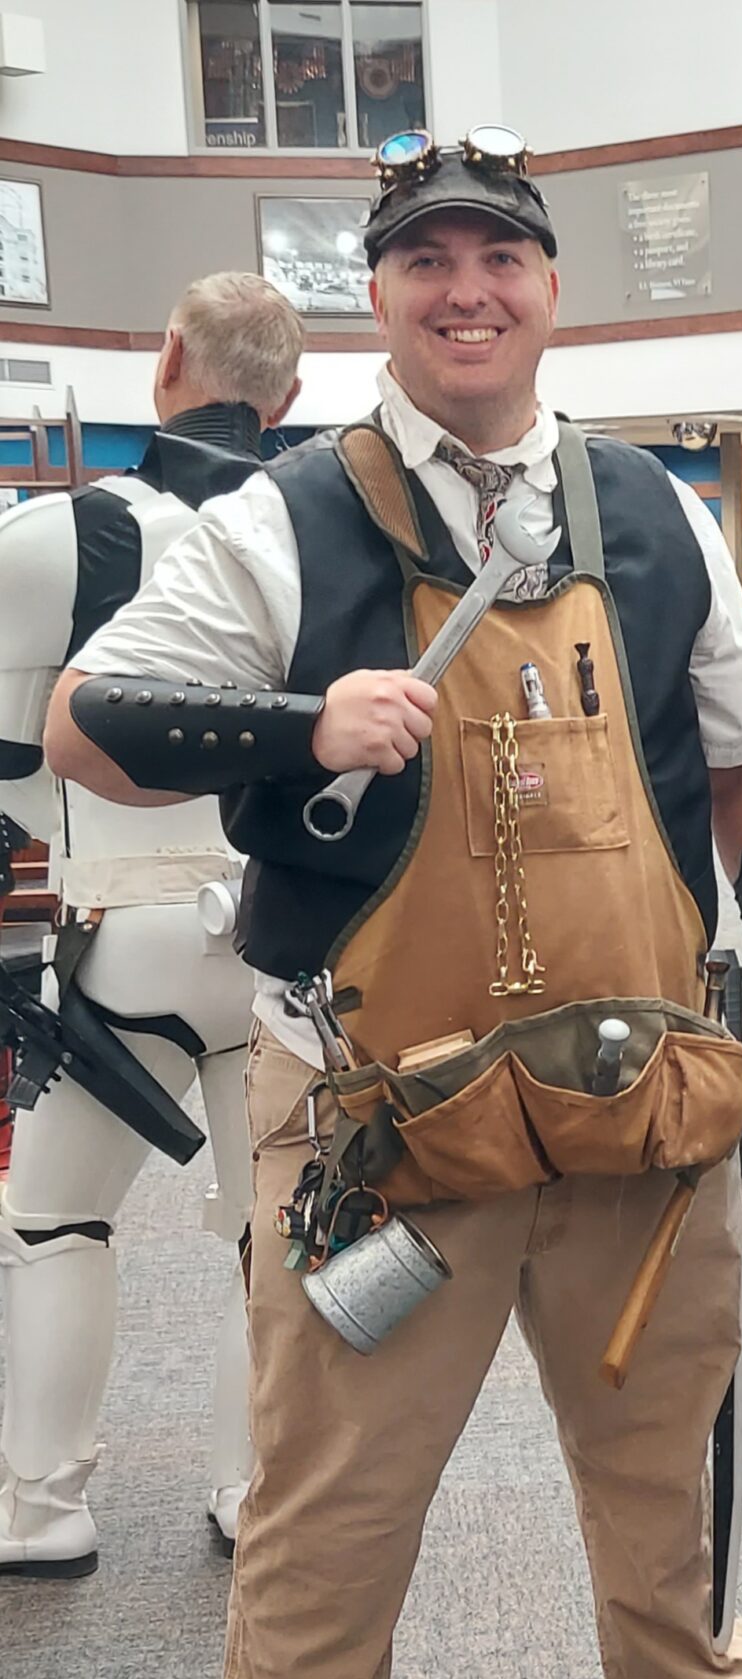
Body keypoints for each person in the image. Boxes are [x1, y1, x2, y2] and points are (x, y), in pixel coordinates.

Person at [46, 125, 742, 1679]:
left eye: (499, 259)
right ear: (380, 298)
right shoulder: (281, 517)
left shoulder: (656, 513)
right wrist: (298, 726)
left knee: (663, 1437)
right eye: (427, 263)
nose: (466, 292)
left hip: (642, 1096)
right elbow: (93, 723)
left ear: (550, 288)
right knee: (332, 1486)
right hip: (380, 1122)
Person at [0, 271, 303, 1574]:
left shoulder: (55, 539)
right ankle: (253, 1490)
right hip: (282, 942)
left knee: (53, 1221)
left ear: (168, 357)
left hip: (114, 938)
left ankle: (41, 1504)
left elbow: (12, 767)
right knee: (266, 1234)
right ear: (290, 391)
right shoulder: (321, 531)